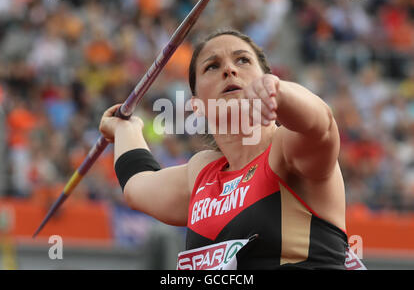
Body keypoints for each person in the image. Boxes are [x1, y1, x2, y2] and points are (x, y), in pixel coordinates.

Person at [99, 29, 348, 269]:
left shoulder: (287, 150)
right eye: (212, 66)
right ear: (197, 106)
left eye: (242, 60)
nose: (230, 69)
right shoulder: (202, 173)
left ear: (265, 76)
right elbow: (138, 185)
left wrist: (280, 92)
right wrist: (126, 130)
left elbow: (321, 125)